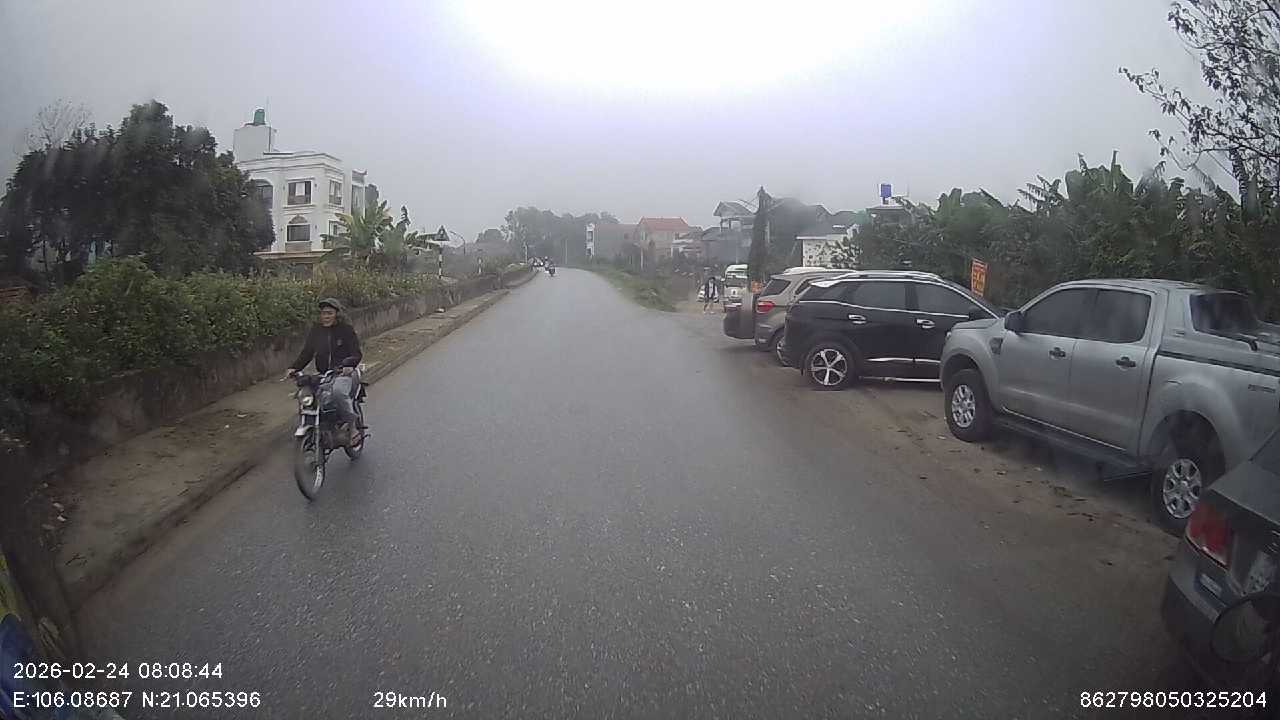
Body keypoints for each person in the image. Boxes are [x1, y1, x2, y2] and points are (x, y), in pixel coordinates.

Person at [284, 298, 365, 446]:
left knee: (338, 392)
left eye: (329, 313)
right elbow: (307, 352)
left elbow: (356, 353)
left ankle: (353, 428)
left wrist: (348, 364)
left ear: (337, 314)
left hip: (343, 373)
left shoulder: (346, 330)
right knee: (307, 395)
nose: (326, 316)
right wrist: (294, 367)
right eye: (323, 313)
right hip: (324, 374)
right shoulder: (316, 330)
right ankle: (317, 425)